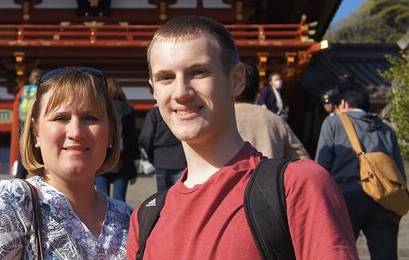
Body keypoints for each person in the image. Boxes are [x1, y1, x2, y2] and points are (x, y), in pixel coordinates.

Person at [126, 15, 357, 259]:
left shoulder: (298, 186)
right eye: (166, 78)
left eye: (198, 72)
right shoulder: (144, 219)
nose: (181, 92)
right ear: (153, 90)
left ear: (236, 79)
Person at [0, 67, 132, 259]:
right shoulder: (11, 204)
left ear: (111, 133)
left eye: (90, 118)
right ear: (36, 133)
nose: (76, 132)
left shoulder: (130, 219)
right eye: (61, 118)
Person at [316, 83, 405, 259]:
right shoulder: (386, 129)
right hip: (384, 199)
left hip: (346, 197)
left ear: (342, 103)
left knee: (339, 252)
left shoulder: (333, 122)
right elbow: (399, 172)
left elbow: (322, 166)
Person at [235, 63, 310, 160]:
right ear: (258, 91)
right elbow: (302, 158)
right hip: (270, 173)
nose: (279, 82)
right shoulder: (277, 121)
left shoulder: (219, 120)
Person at [95, 77, 141, 202]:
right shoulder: (126, 109)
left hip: (101, 158)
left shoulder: (98, 108)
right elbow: (132, 138)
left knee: (100, 200)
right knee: (119, 199)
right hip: (122, 159)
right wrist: (136, 161)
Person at [139, 105, 186, 191]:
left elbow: (146, 138)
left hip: (161, 159)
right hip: (181, 159)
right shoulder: (182, 112)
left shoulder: (154, 113)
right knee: (181, 195)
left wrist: (151, 156)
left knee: (163, 197)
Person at [13, 68, 43, 179]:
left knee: (24, 147)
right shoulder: (41, 90)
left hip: (23, 121)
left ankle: (20, 175)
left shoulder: (23, 89)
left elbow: (18, 100)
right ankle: (40, 172)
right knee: (40, 145)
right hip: (35, 121)